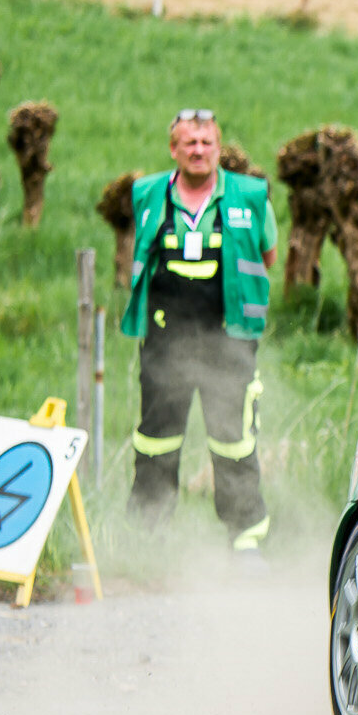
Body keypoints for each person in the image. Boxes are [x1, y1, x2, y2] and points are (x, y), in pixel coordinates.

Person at [120, 109, 279, 565]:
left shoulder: (250, 197)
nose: (198, 150)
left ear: (218, 146)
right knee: (156, 439)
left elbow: (266, 256)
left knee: (234, 441)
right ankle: (147, 540)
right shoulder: (150, 195)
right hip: (165, 340)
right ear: (174, 149)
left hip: (228, 340)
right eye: (189, 142)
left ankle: (246, 540)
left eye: (206, 142)